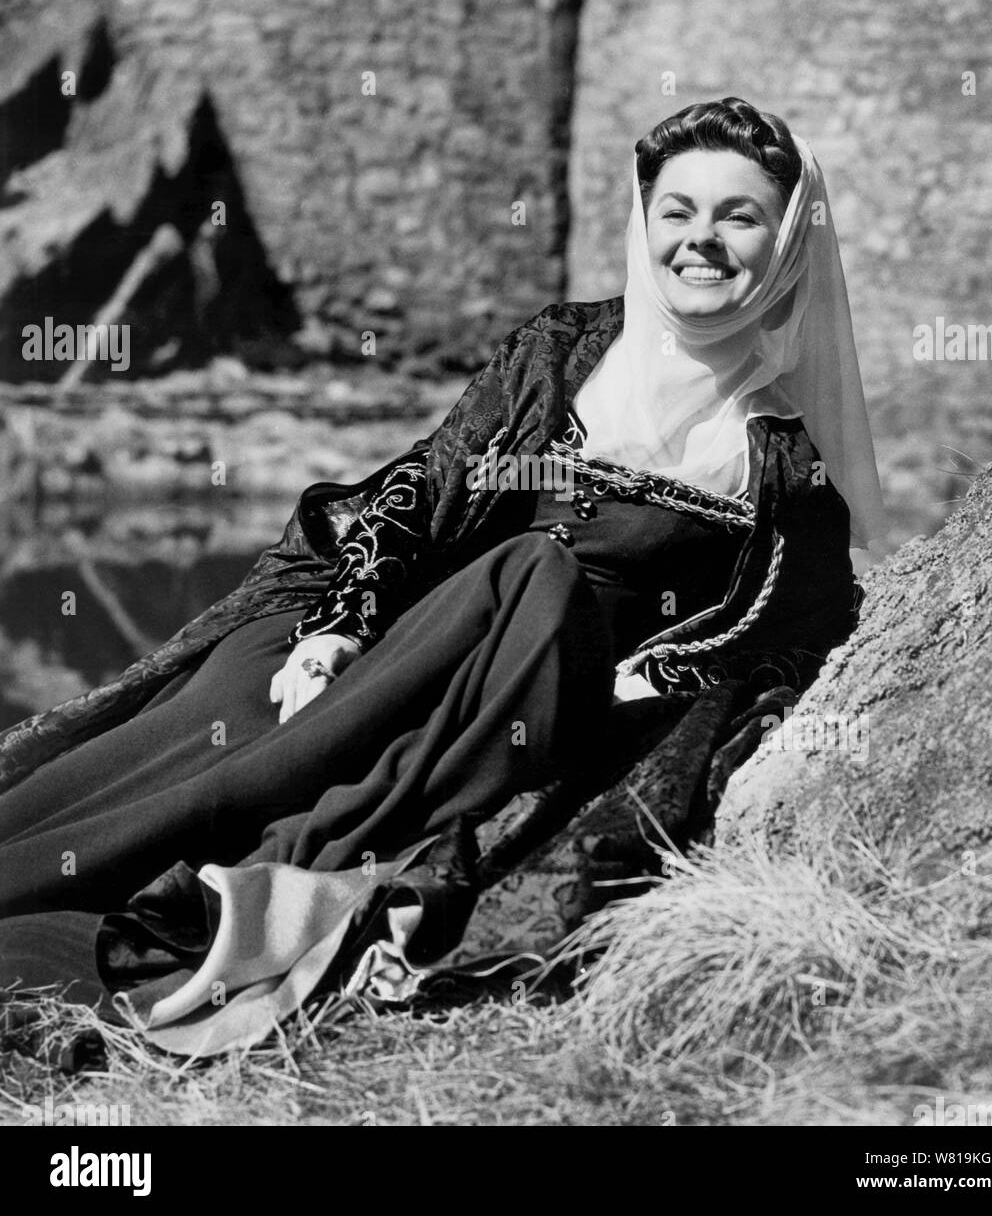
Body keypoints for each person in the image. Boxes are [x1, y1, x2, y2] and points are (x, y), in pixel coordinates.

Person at [0, 97, 888, 1055]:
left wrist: (656, 671)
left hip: (529, 687)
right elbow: (425, 486)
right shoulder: (564, 350)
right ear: (644, 222)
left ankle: (254, 889)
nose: (699, 241)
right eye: (677, 211)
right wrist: (339, 623)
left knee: (533, 576)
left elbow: (781, 623)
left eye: (737, 217)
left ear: (785, 238)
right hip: (404, 629)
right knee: (210, 738)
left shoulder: (787, 455)